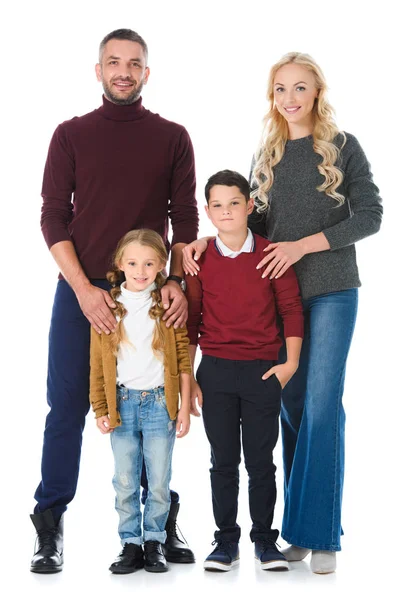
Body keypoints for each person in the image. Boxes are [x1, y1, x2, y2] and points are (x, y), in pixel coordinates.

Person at [183, 53, 382, 574]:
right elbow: (254, 224)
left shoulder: (343, 147)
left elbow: (372, 215)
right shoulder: (266, 155)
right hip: (279, 299)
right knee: (291, 405)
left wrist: (303, 245)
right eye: (280, 89)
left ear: (317, 92)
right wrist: (211, 239)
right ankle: (295, 528)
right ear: (271, 97)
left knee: (320, 406)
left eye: (300, 87)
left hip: (334, 290)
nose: (290, 98)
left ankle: (321, 533)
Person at [31, 28, 198, 574]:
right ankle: (49, 524)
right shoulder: (69, 135)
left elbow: (185, 218)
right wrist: (84, 291)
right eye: (113, 62)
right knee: (68, 407)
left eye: (134, 63)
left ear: (147, 73)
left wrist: (175, 281)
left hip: (147, 296)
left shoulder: (172, 136)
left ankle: (159, 525)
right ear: (98, 70)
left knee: (152, 407)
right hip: (82, 292)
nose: (123, 71)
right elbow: (53, 216)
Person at [186, 170, 303, 572]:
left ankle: (265, 541)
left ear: (250, 206)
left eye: (234, 203)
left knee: (260, 461)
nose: (226, 211)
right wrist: (189, 378)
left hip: (261, 372)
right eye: (217, 205)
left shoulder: (271, 255)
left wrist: (290, 363)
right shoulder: (200, 260)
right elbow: (192, 320)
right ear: (208, 211)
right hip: (215, 373)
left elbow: (291, 310)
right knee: (222, 461)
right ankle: (225, 541)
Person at [90, 229, 191, 573]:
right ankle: (130, 544)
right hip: (122, 405)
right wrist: (101, 408)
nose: (141, 270)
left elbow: (182, 354)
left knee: (159, 479)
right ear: (120, 264)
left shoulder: (166, 305)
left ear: (162, 264)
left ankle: (154, 541)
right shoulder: (109, 306)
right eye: (132, 263)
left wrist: (183, 407)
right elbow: (96, 363)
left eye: (149, 263)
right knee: (125, 481)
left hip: (160, 404)